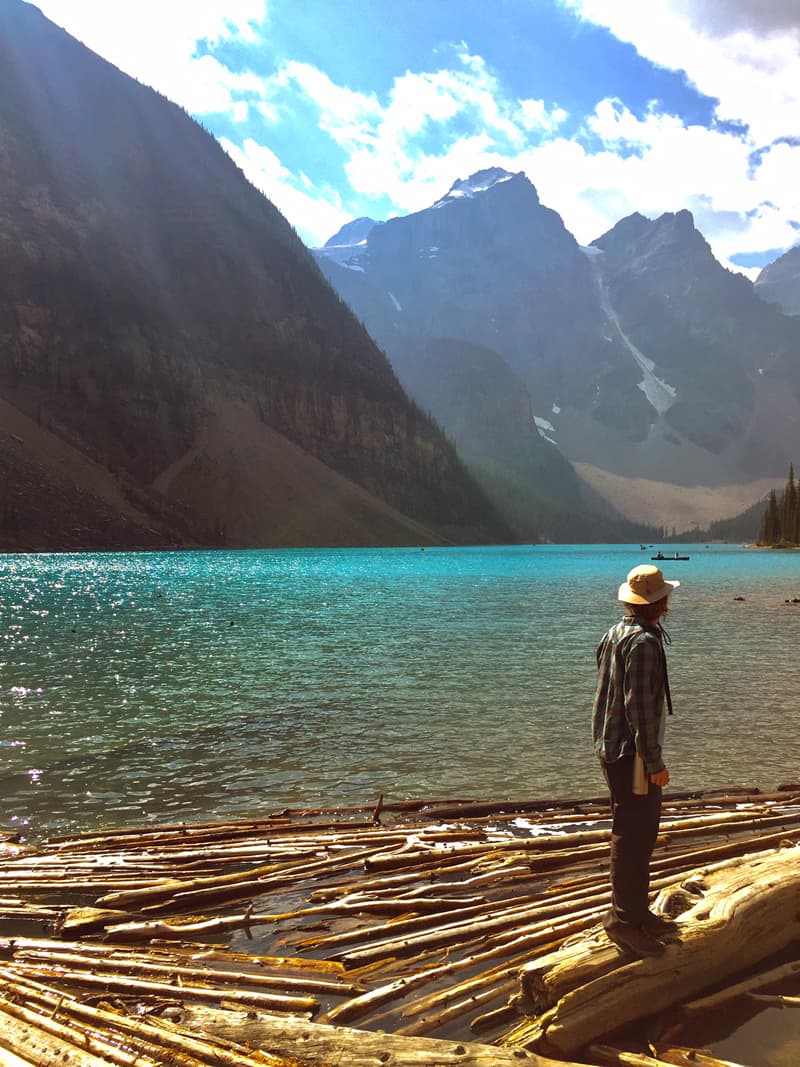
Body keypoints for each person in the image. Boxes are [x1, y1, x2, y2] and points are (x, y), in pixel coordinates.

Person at [592, 564, 679, 956]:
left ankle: (636, 913)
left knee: (636, 832)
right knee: (634, 835)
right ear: (658, 603)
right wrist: (654, 762)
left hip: (613, 747)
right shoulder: (644, 643)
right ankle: (624, 921)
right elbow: (640, 710)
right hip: (631, 754)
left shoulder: (616, 633)